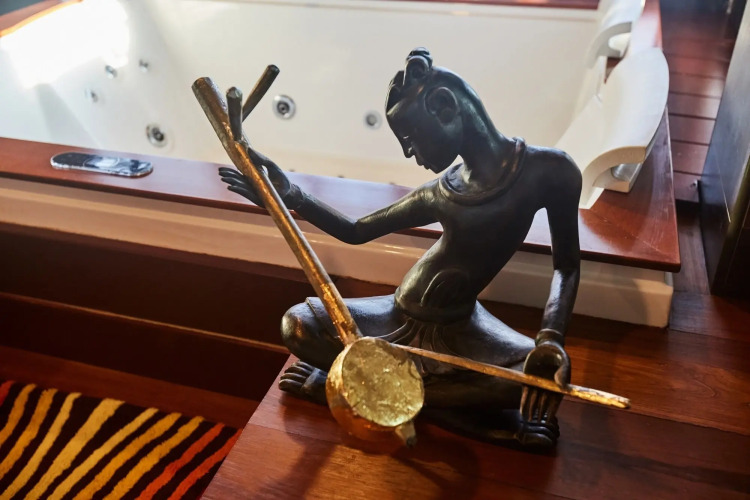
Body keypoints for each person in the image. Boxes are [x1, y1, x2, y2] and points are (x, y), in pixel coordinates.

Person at [219, 48, 581, 449]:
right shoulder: (440, 191)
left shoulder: (550, 172)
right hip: (397, 315)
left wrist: (550, 339)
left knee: (544, 376)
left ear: (444, 107)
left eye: (412, 139)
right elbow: (356, 231)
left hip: (462, 328)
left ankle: (361, 391)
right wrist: (291, 195)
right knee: (298, 325)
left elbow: (566, 267)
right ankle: (449, 411)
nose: (410, 153)